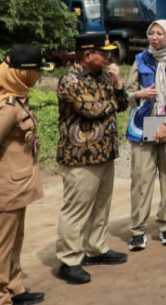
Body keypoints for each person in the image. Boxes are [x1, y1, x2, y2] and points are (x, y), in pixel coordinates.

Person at [0, 46, 52, 305]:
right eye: (36, 71)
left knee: (14, 240)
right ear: (22, 74)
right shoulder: (6, 107)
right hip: (3, 188)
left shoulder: (17, 97)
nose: (39, 75)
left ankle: (13, 287)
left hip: (15, 186)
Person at [54, 33, 129, 285]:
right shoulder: (70, 80)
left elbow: (122, 103)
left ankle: (96, 248)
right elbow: (91, 110)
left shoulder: (103, 77)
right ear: (87, 55)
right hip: (80, 156)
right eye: (103, 52)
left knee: (101, 205)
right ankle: (70, 259)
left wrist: (118, 83)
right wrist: (111, 101)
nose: (108, 56)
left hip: (104, 152)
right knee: (76, 209)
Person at [123, 20, 166, 251]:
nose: (154, 37)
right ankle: (138, 230)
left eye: (159, 33)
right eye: (151, 33)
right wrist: (139, 94)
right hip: (144, 123)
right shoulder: (140, 59)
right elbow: (126, 93)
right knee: (141, 178)